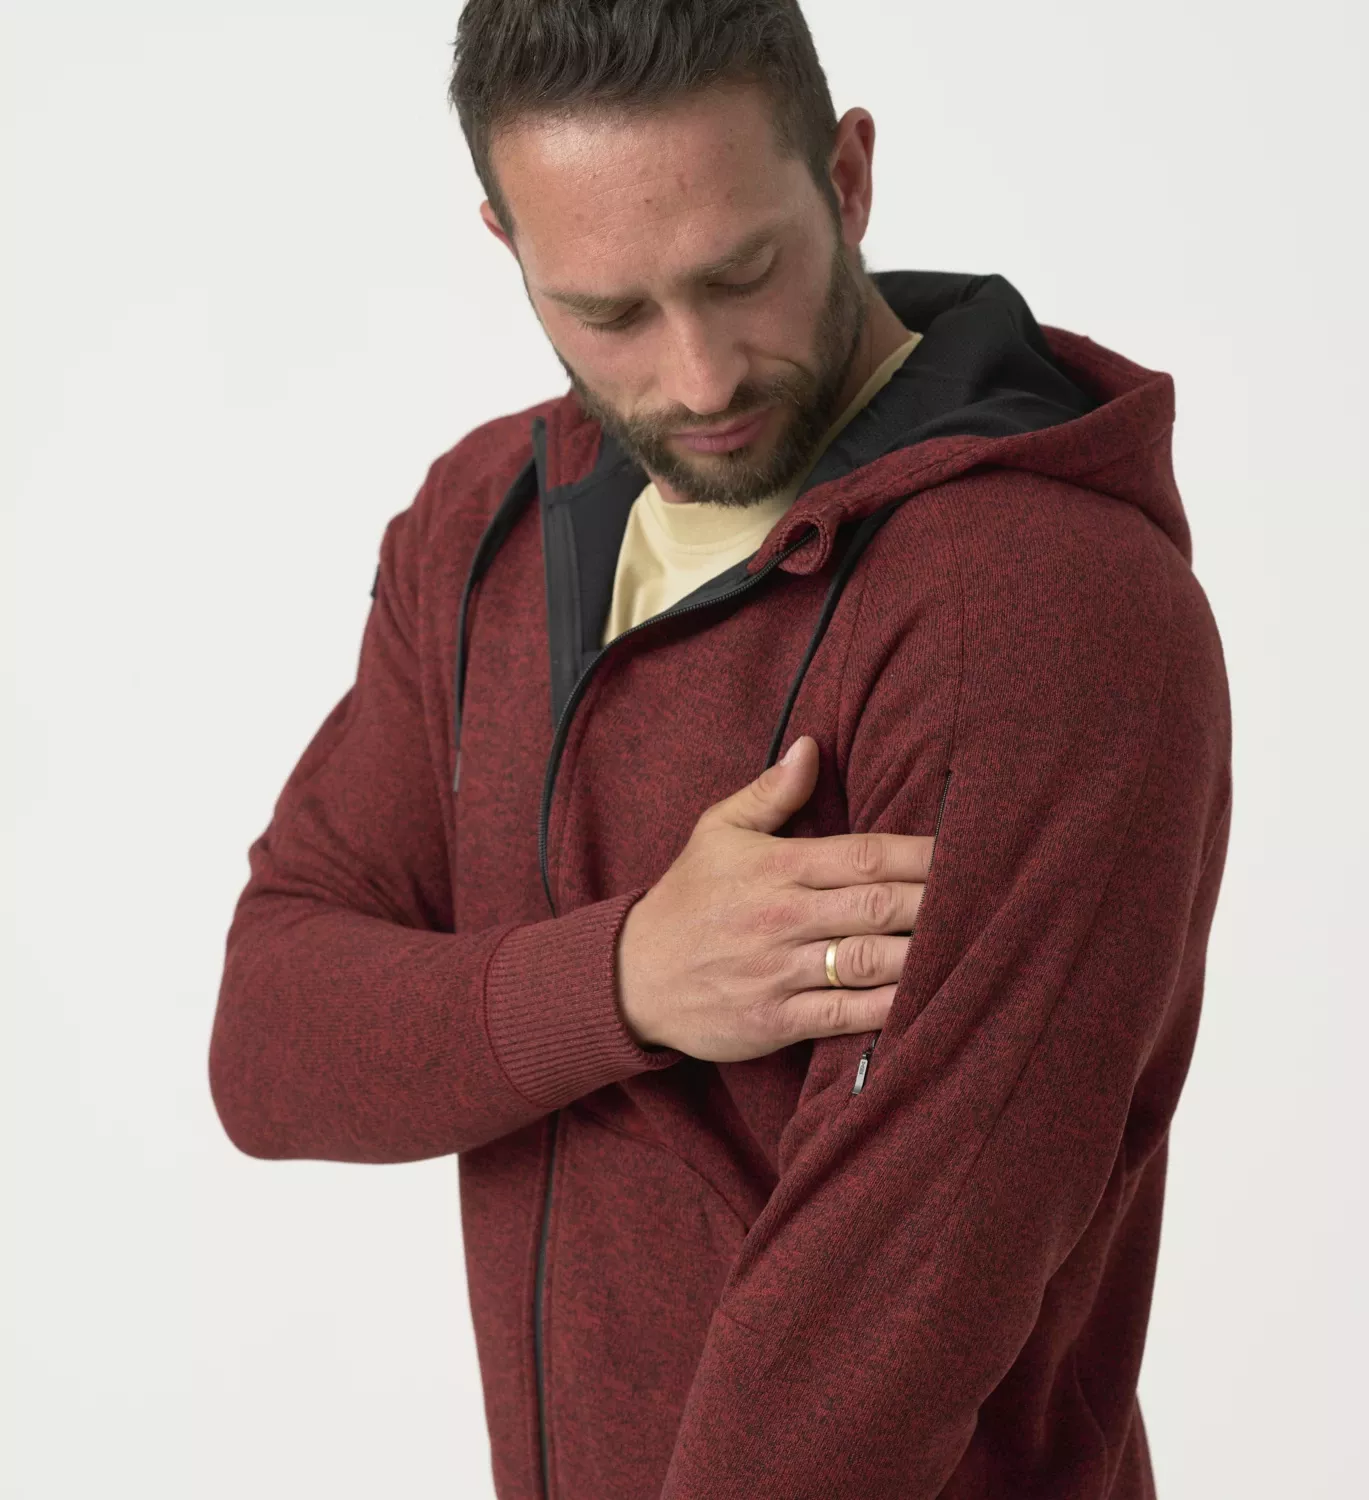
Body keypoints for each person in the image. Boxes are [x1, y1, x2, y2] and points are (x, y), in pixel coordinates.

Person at [207, 1, 1232, 1495]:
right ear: (508, 248)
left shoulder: (1030, 607)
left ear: (848, 177)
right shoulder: (485, 528)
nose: (696, 379)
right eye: (609, 312)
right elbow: (270, 1040)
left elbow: (874, 1331)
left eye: (740, 276)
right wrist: (628, 977)